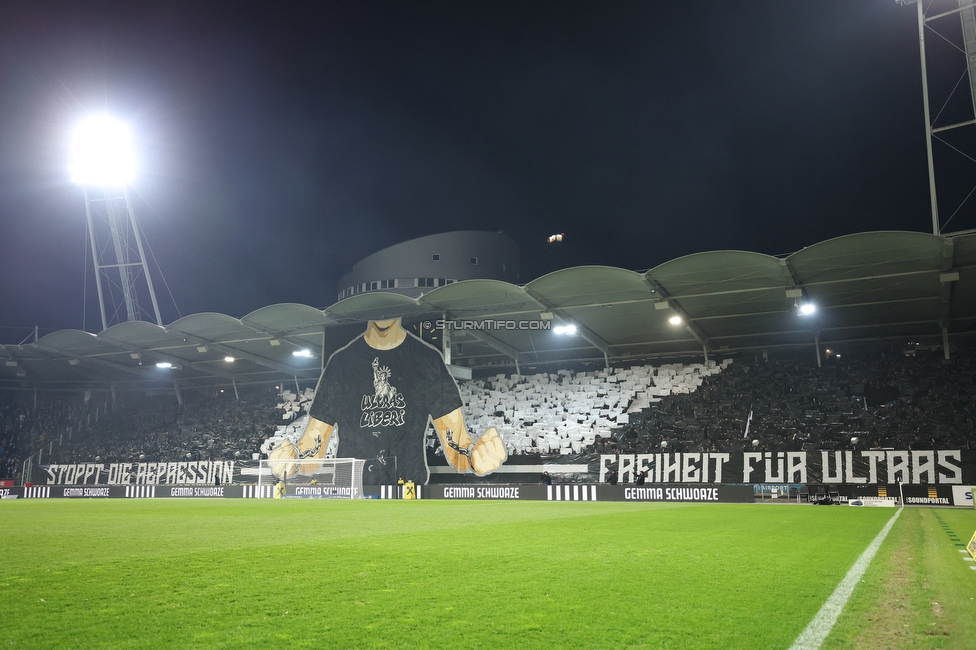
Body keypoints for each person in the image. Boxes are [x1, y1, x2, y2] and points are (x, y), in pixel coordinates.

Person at [269, 318, 506, 485]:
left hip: (409, 492)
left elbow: (456, 444)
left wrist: (475, 457)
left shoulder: (426, 359)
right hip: (354, 492)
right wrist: (293, 461)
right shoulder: (342, 363)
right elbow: (314, 445)